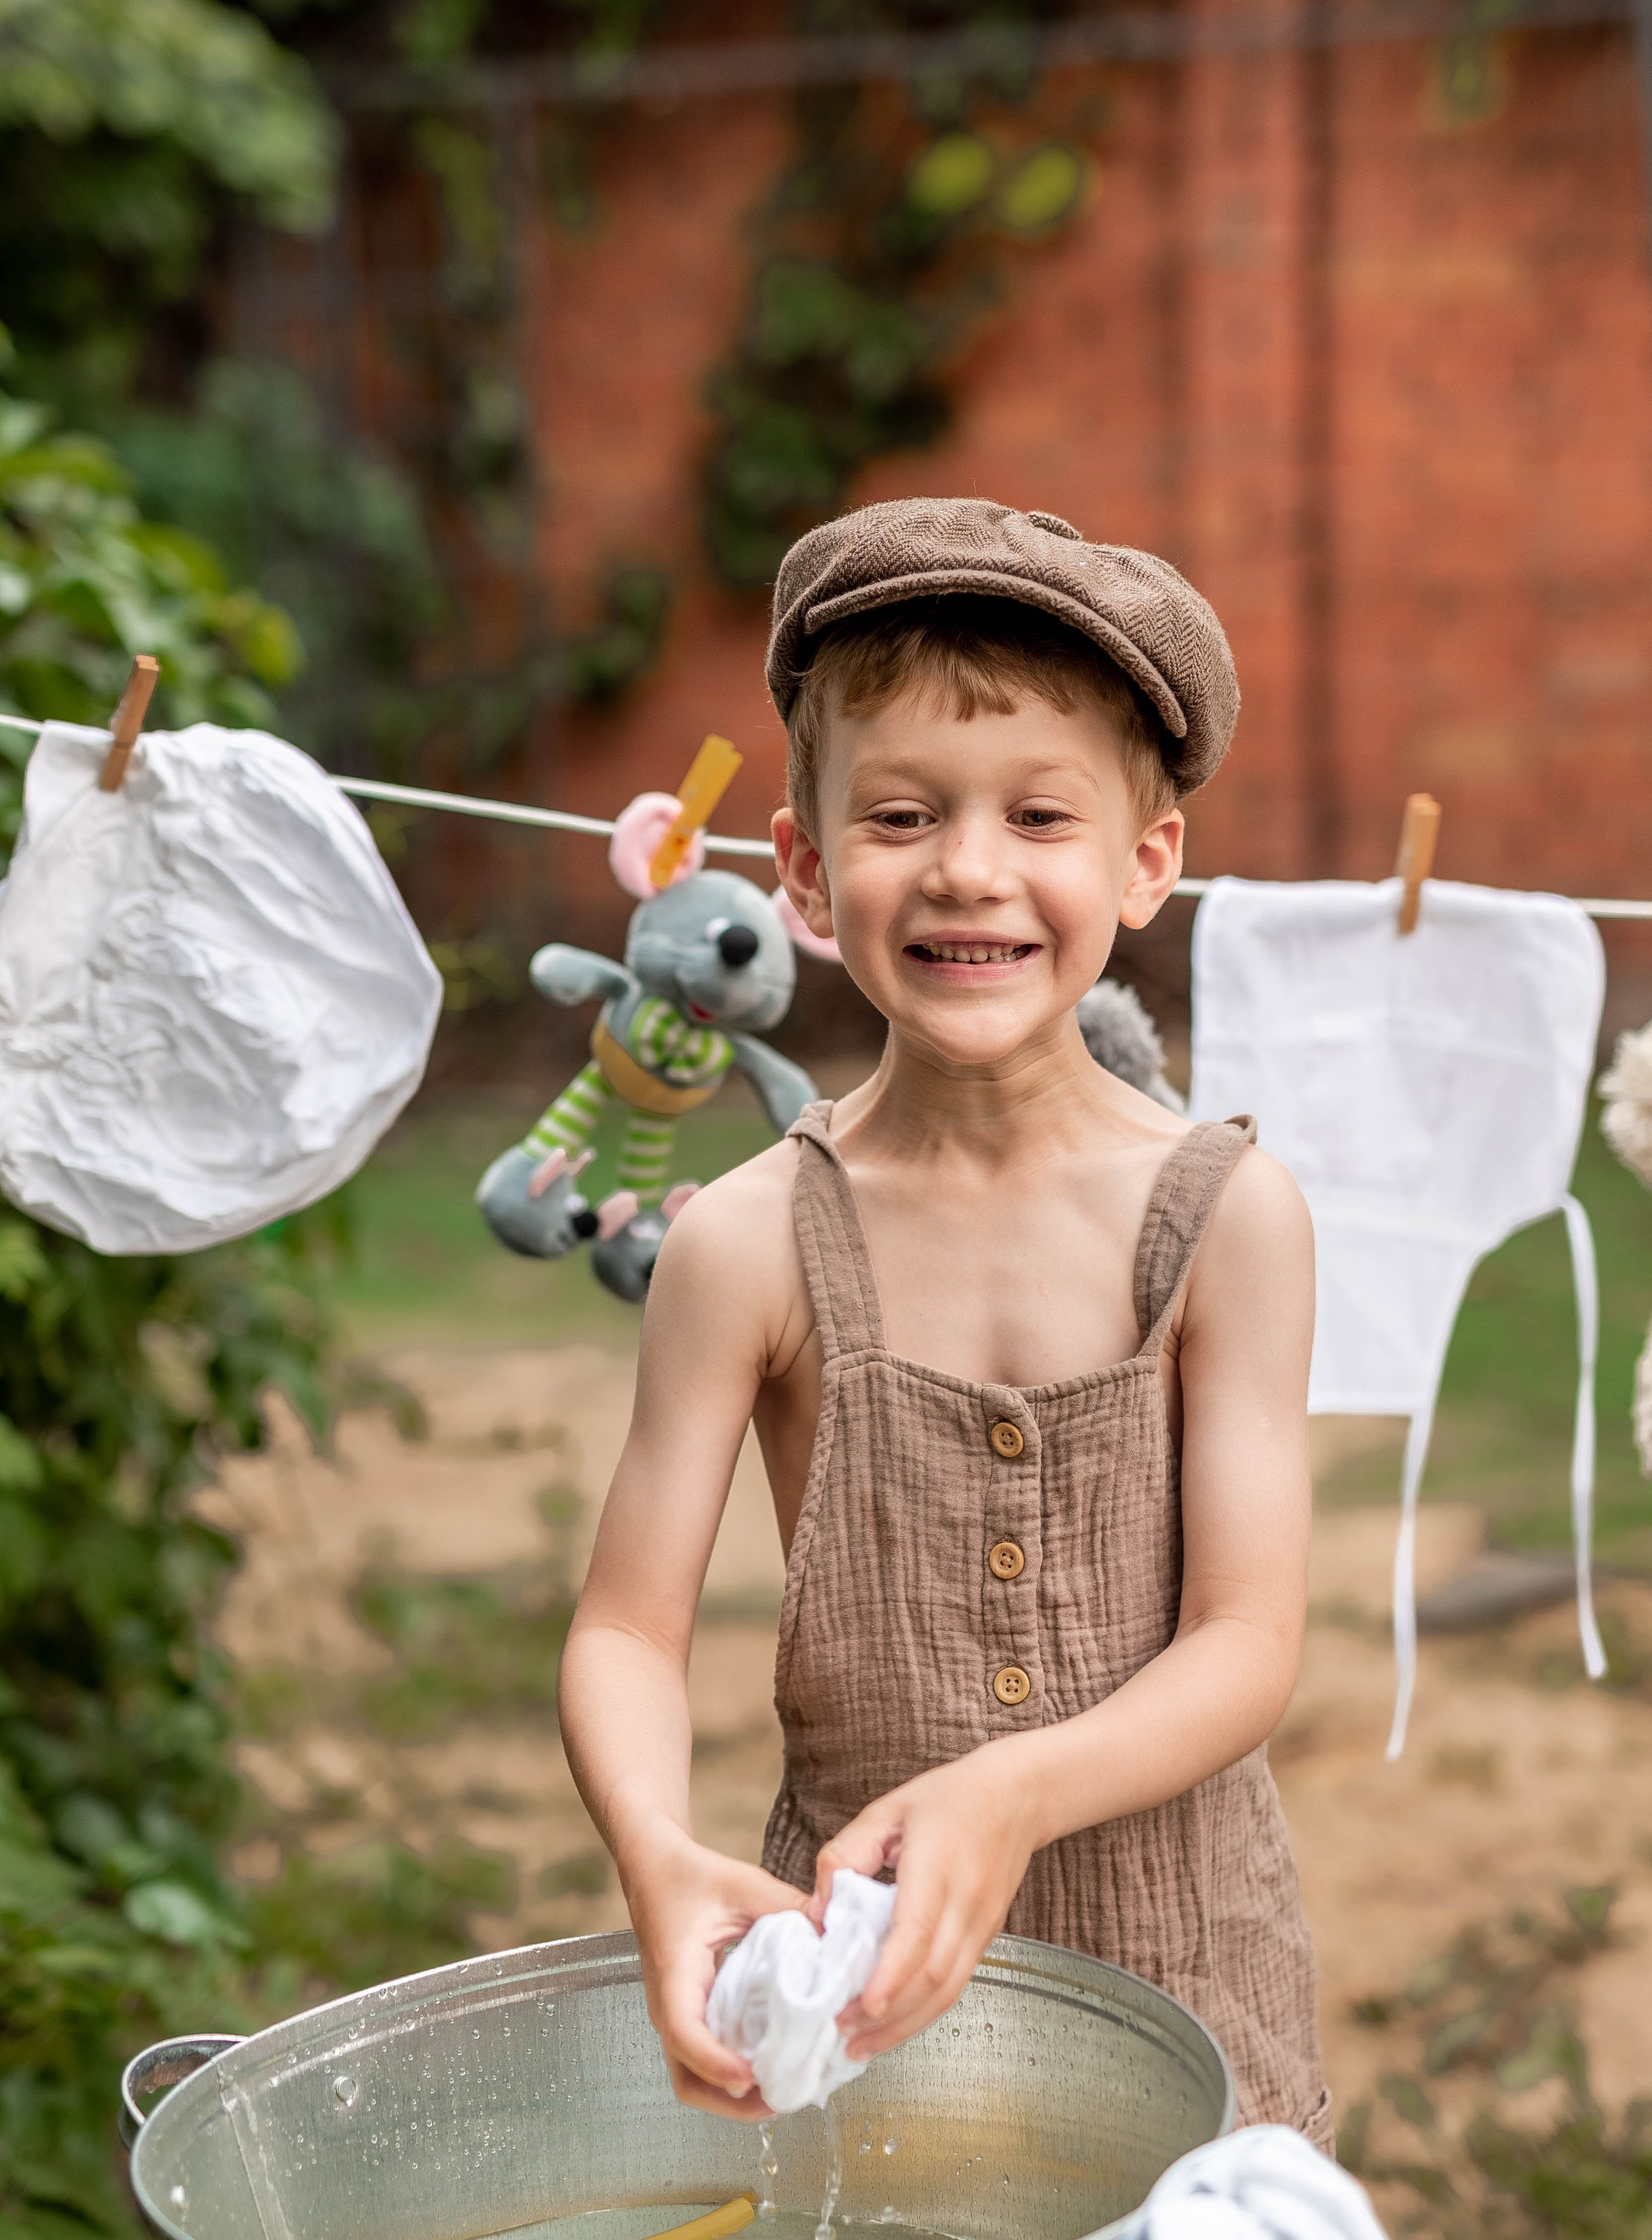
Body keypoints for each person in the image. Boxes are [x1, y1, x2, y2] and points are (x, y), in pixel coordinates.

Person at [557, 497, 1329, 2144]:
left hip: (1180, 1970)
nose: (969, 868)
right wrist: (654, 1849)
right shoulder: (746, 1244)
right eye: (902, 814)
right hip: (862, 1993)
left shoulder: (1221, 1221)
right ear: (808, 873)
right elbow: (626, 1630)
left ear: (1143, 864)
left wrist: (1012, 1789)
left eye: (1038, 816)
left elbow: (1247, 1642)